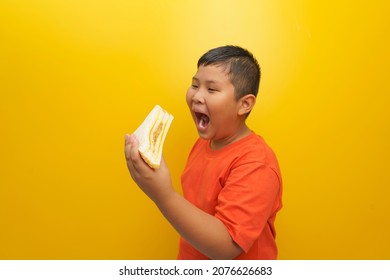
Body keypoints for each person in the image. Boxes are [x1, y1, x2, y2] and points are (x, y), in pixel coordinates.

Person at [124, 45, 283, 260]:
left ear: (244, 104)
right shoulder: (202, 144)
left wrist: (162, 194)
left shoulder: (257, 163)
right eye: (194, 85)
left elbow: (226, 247)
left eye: (211, 89)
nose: (197, 96)